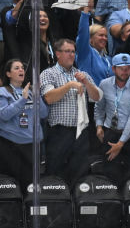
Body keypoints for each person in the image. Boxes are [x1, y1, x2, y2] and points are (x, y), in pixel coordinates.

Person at [41, 39, 101, 182]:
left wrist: (86, 82)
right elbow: (49, 97)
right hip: (59, 132)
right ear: (58, 54)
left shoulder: (81, 74)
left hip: (81, 132)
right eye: (67, 51)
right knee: (55, 172)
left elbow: (97, 97)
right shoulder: (49, 73)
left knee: (80, 173)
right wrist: (69, 85)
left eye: (73, 51)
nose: (71, 55)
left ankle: (77, 201)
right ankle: (57, 203)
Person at [94, 53, 130, 184]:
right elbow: (99, 107)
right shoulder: (104, 84)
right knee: (109, 174)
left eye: (128, 68)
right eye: (121, 68)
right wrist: (99, 126)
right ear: (113, 69)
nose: (125, 71)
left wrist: (121, 144)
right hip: (110, 132)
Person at [0, 59, 48, 188]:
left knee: (31, 185)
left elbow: (43, 114)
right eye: (16, 68)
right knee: (13, 184)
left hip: (33, 144)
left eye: (22, 67)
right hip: (12, 145)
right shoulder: (3, 92)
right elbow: (3, 115)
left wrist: (37, 96)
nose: (21, 70)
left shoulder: (31, 91)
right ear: (8, 74)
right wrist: (23, 99)